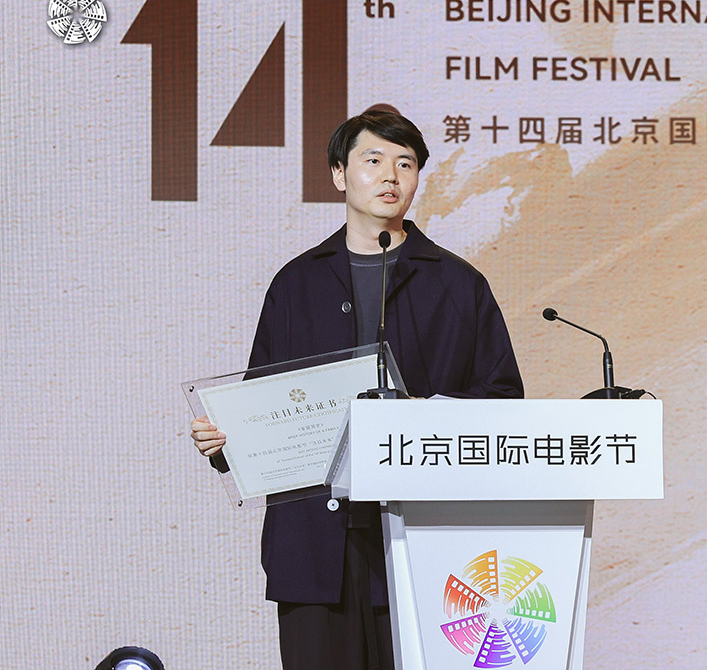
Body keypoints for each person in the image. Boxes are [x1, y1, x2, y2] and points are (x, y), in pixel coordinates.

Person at [190, 107, 524, 669]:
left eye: (405, 163)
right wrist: (226, 443)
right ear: (339, 174)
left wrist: (423, 414)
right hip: (316, 548)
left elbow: (504, 403)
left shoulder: (458, 284)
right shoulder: (296, 284)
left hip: (424, 545)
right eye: (373, 160)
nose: (390, 175)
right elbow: (260, 404)